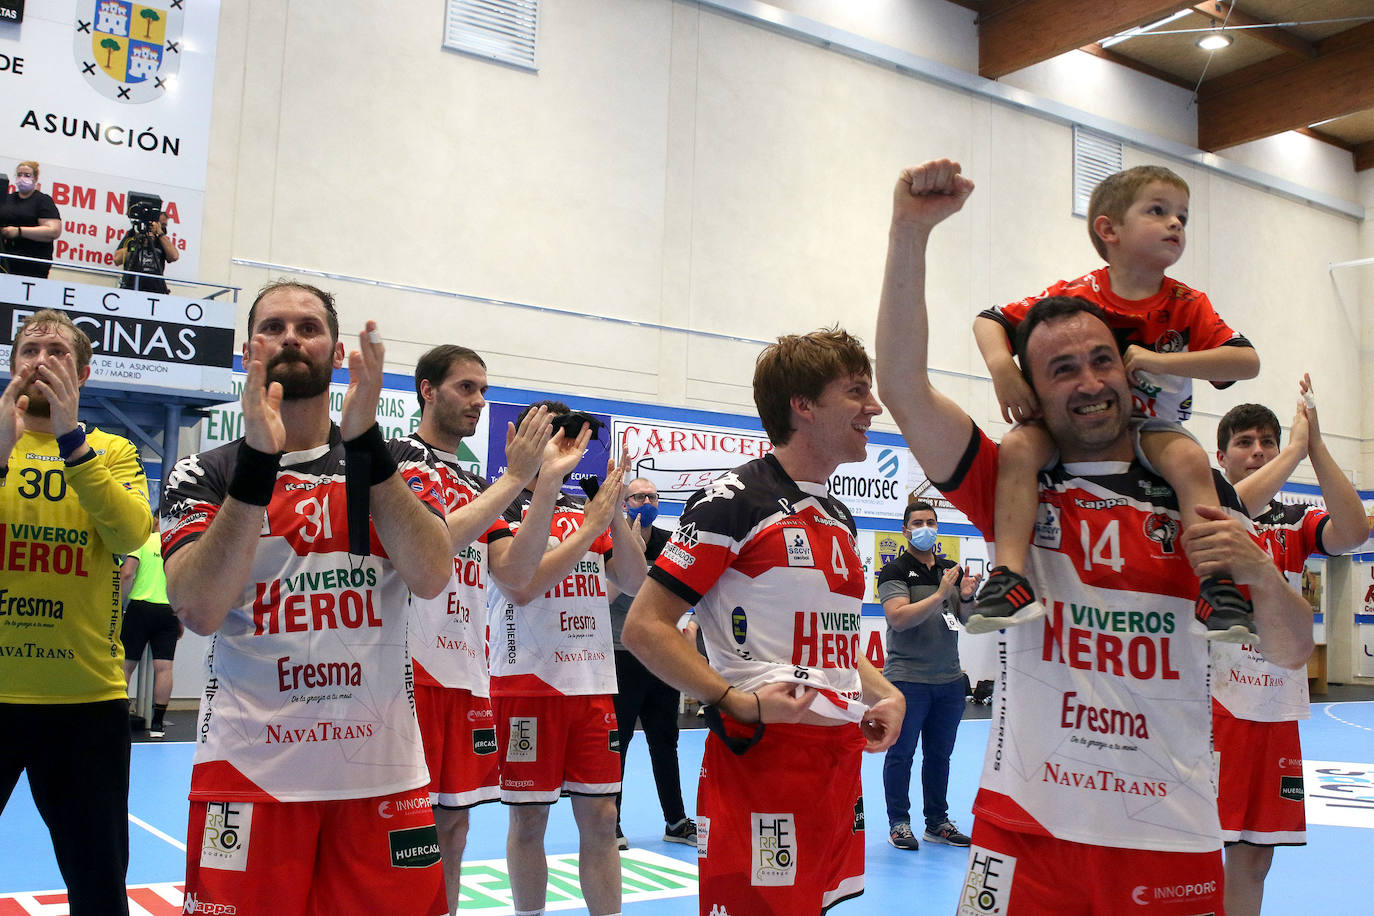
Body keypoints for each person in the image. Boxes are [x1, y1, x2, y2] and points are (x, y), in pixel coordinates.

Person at [874, 159, 1314, 914]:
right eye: (1061, 370)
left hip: (1169, 835)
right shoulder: (1013, 484)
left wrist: (1263, 575)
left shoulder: (1199, 498)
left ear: (1128, 367)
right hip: (1024, 832)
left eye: (1101, 360)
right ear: (1033, 395)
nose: (1087, 381)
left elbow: (1289, 649)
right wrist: (910, 232)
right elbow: (904, 387)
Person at [161, 282, 454, 916]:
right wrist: (259, 466)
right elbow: (198, 608)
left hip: (381, 776)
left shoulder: (392, 460)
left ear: (339, 352)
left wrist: (368, 447)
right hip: (249, 776)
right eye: (273, 326)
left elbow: (432, 574)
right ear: (248, 352)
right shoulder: (204, 472)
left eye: (308, 326)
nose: (291, 336)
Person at [623, 328, 906, 916]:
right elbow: (645, 627)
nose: (874, 407)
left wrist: (883, 692)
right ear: (803, 405)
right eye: (856, 392)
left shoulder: (838, 514)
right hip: (763, 757)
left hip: (836, 757)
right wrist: (736, 702)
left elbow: (832, 640)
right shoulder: (732, 500)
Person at [972, 165, 1260, 643]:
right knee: (1018, 448)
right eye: (1158, 211)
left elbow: (1246, 361)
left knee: (1191, 459)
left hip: (1148, 428)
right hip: (1068, 427)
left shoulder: (1188, 303)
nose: (1176, 225)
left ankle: (1217, 587)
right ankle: (1008, 576)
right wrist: (1004, 370)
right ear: (1109, 230)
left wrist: (1162, 363)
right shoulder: (1077, 293)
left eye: (1183, 217)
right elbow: (988, 320)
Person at [0, 308, 153, 916]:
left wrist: (70, 438)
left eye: (57, 352)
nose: (41, 359)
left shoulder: (111, 449)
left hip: (84, 700)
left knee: (98, 884)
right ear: (12, 366)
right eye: (30, 348)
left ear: (83, 373)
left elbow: (130, 531)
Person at [405, 344, 567, 913]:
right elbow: (432, 544)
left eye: (483, 390)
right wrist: (514, 480)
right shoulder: (393, 461)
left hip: (465, 676)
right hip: (406, 675)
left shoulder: (479, 485)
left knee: (452, 831)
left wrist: (542, 485)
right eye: (465, 388)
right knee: (400, 833)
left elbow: (518, 579)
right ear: (427, 389)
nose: (478, 401)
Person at [1211, 377, 1370, 916]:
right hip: (1210, 707)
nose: (1257, 451)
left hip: (1275, 704)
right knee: (1201, 848)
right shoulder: (1202, 498)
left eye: (1268, 442)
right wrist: (1295, 450)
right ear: (1220, 453)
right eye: (1245, 442)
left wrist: (1316, 445)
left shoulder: (1293, 521)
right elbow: (1234, 509)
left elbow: (1353, 532)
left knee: (1256, 858)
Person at [486, 401, 645, 916]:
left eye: (576, 442)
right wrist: (585, 530)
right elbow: (525, 587)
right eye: (561, 439)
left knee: (601, 818)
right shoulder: (504, 507)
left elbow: (634, 581)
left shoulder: (587, 511)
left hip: (592, 684)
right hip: (526, 684)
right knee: (530, 820)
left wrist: (612, 510)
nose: (570, 451)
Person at [878, 500, 981, 852]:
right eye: (918, 522)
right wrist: (940, 594)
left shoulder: (951, 570)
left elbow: (966, 619)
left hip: (949, 682)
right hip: (907, 681)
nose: (926, 527)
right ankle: (899, 823)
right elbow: (898, 618)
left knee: (940, 755)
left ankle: (938, 822)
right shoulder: (894, 571)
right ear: (906, 530)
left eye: (931, 521)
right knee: (901, 754)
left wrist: (965, 597)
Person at [608, 476, 695, 850]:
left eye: (653, 496)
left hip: (661, 656)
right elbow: (603, 596)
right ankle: (610, 823)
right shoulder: (608, 538)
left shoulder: (670, 544)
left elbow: (694, 588)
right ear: (625, 502)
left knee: (666, 739)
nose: (647, 500)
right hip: (619, 653)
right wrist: (632, 549)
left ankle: (675, 821)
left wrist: (691, 623)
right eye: (639, 495)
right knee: (618, 742)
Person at [120, 514, 180, 738]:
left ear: (155, 521)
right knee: (164, 668)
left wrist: (118, 605)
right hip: (169, 610)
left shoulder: (143, 541)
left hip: (140, 608)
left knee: (125, 665)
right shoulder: (176, 544)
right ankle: (157, 724)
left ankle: (118, 718)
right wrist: (180, 616)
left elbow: (127, 573)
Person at [0, 161, 62, 278]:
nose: (22, 178)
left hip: (34, 264)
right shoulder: (8, 199)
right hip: (7, 262)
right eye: (19, 175)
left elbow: (54, 231)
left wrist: (19, 231)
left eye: (27, 175)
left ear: (35, 178)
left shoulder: (43, 201)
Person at [114, 210, 179, 294]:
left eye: (163, 226)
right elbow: (117, 259)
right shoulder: (133, 236)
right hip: (131, 287)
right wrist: (138, 243)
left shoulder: (162, 241)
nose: (162, 228)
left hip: (156, 290)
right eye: (160, 224)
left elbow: (174, 256)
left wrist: (160, 234)